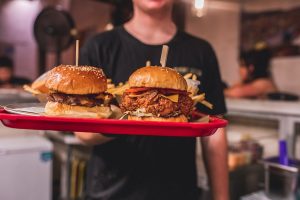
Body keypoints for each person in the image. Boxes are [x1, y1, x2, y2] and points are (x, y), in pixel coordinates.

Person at [76, 0, 228, 199]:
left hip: (179, 192)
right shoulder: (99, 46)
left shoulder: (201, 50)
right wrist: (129, 120)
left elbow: (214, 133)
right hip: (110, 191)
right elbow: (82, 132)